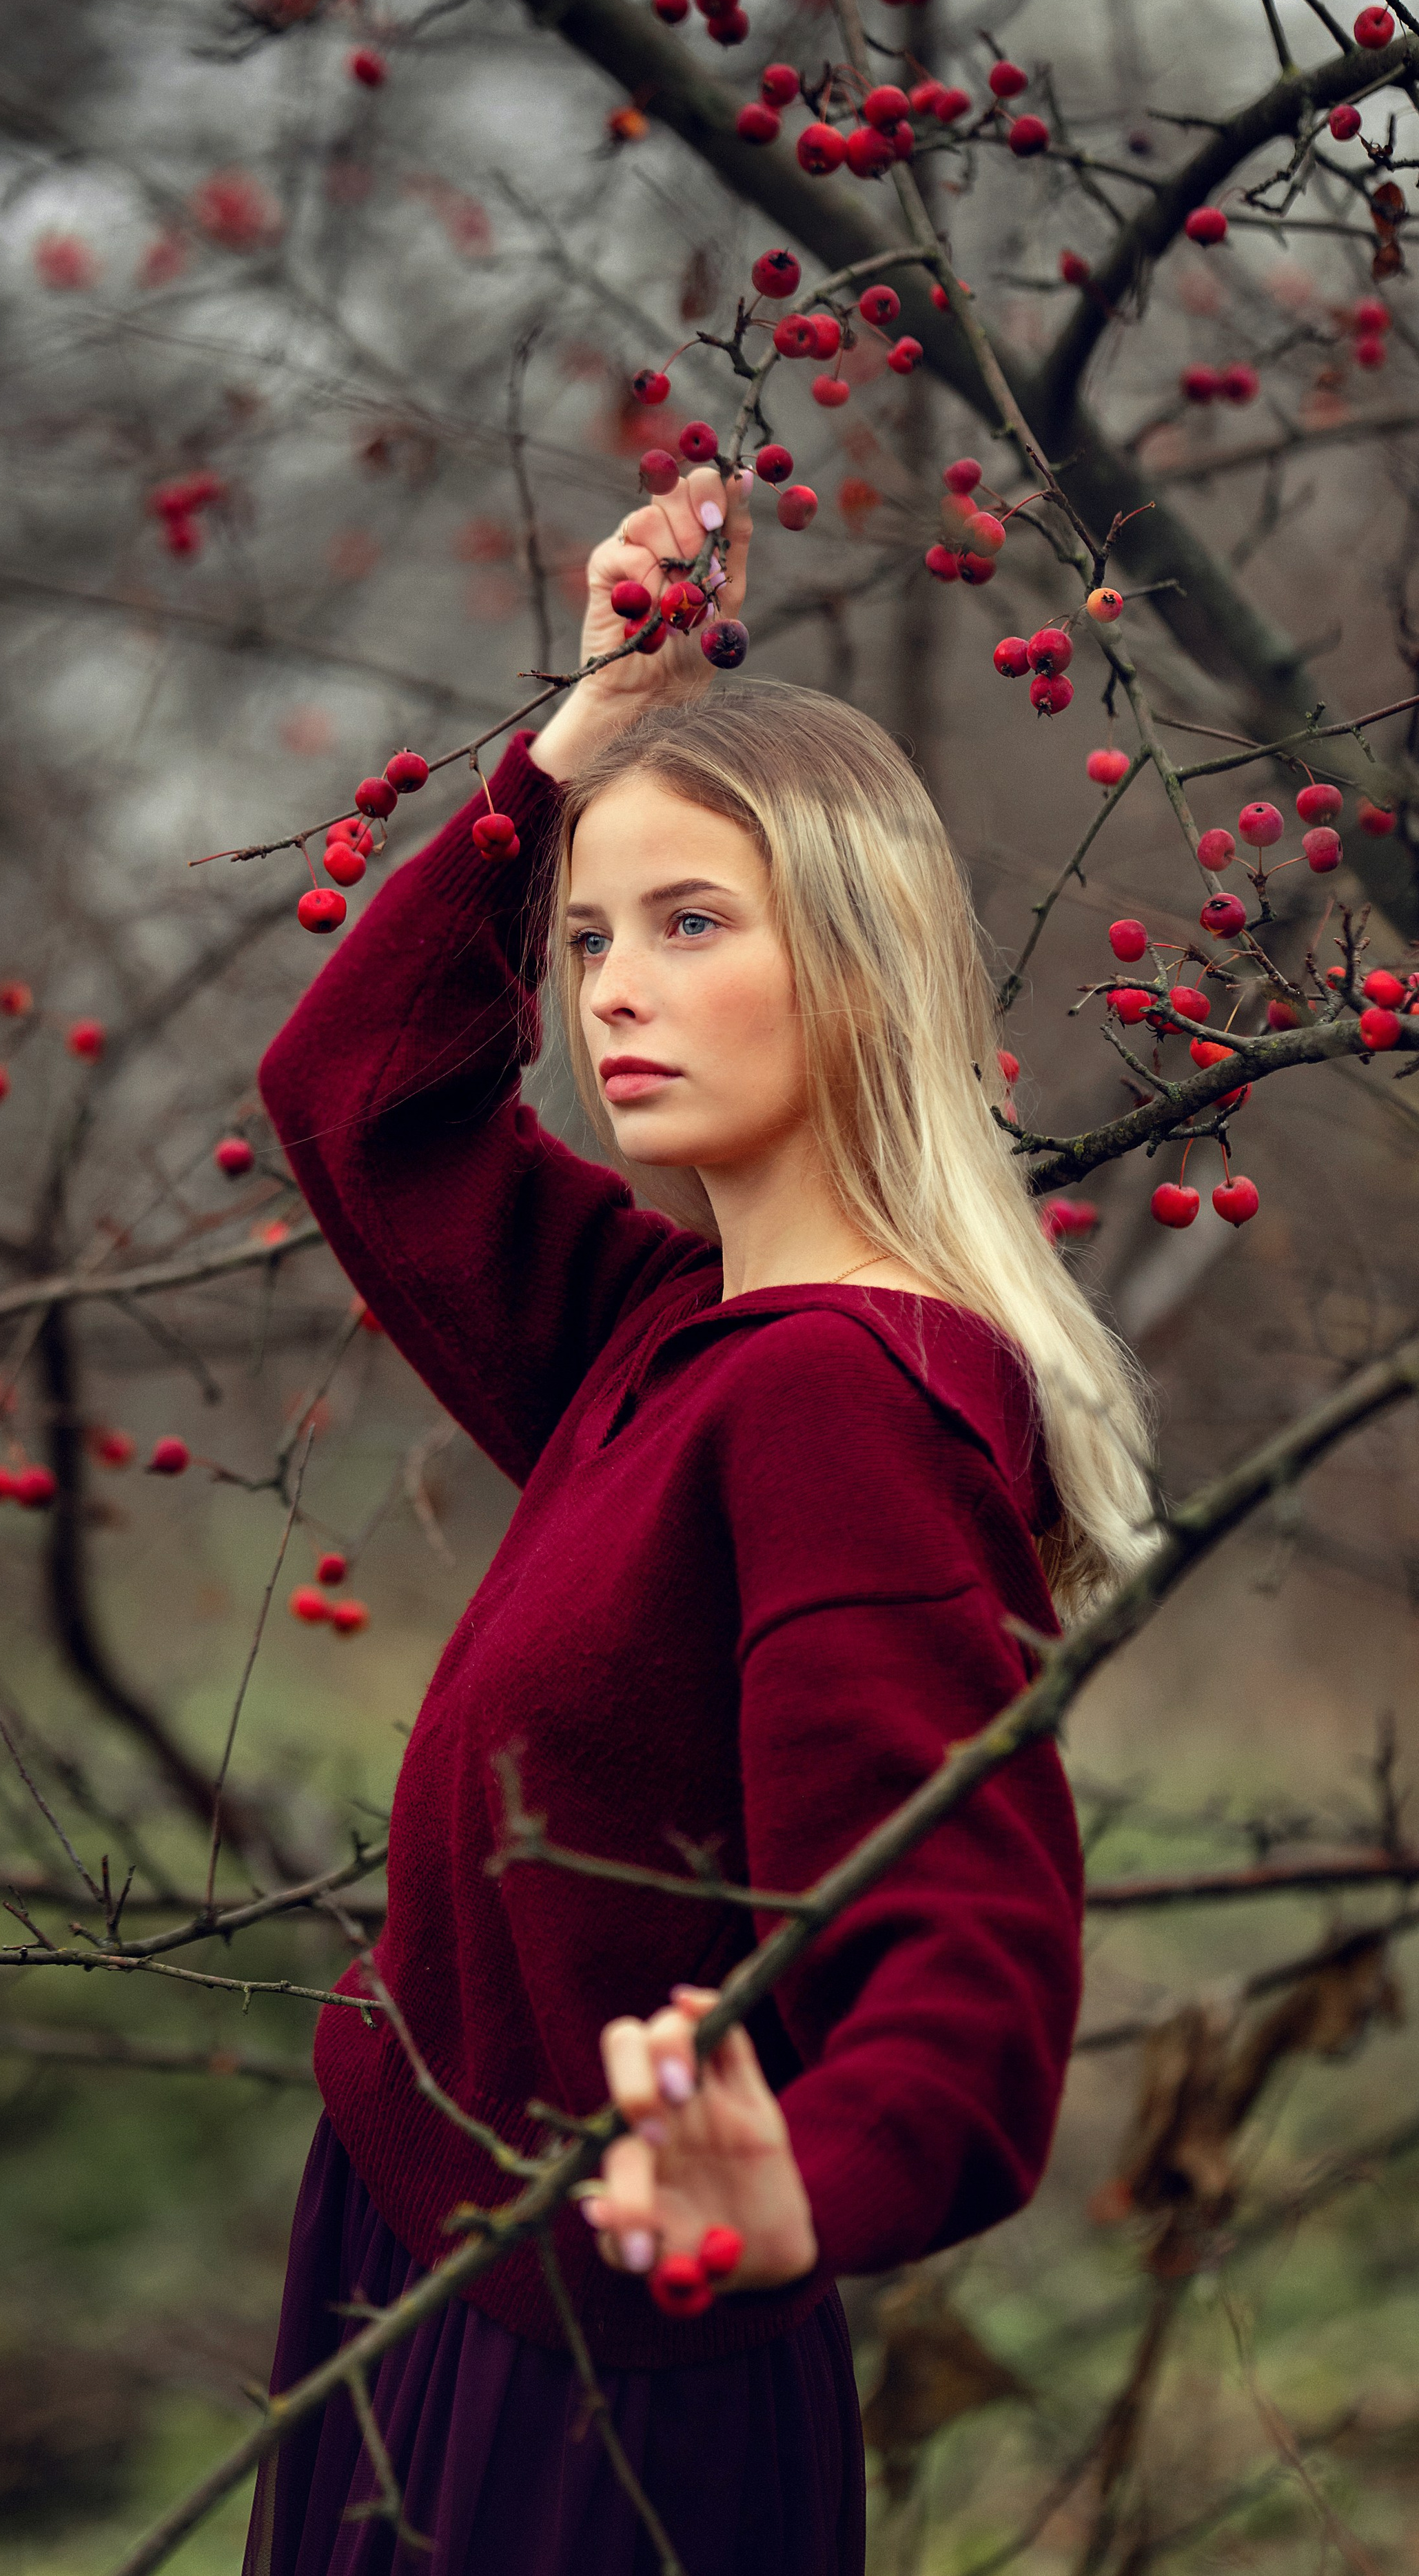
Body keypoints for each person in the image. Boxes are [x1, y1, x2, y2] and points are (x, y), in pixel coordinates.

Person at [243, 460, 1152, 2575]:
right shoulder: (672, 1337)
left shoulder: (845, 1398)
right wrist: (577, 743)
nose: (608, 991)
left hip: (599, 2386)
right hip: (422, 2289)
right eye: (583, 937)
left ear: (853, 962)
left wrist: (804, 2179)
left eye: (688, 922)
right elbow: (358, 1101)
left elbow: (976, 1945)